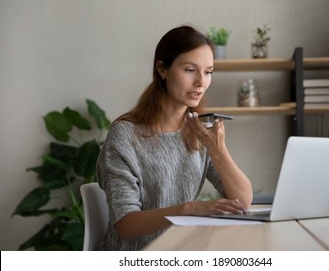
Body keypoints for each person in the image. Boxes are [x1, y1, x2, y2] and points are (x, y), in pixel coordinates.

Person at [96, 25, 253, 251]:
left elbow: (243, 201)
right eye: (190, 70)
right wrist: (187, 209)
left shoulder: (198, 131)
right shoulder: (125, 137)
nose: (201, 82)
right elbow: (125, 224)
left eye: (208, 71)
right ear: (162, 69)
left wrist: (218, 150)